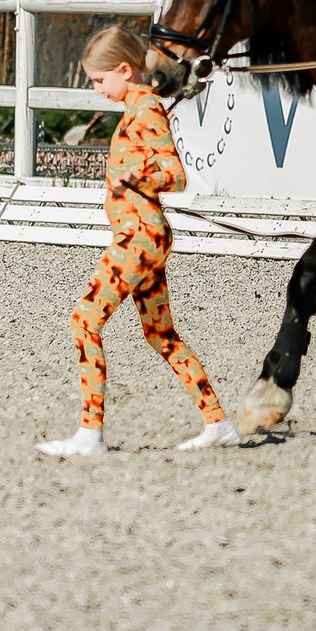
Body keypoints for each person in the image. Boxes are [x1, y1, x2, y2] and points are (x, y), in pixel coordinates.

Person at [37, 27, 237, 458]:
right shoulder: (136, 109)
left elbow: (177, 176)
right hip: (144, 236)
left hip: (138, 238)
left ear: (124, 70)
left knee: (85, 320)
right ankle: (217, 421)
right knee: (161, 333)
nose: (96, 90)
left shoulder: (146, 110)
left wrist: (138, 178)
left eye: (99, 80)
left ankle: (90, 433)